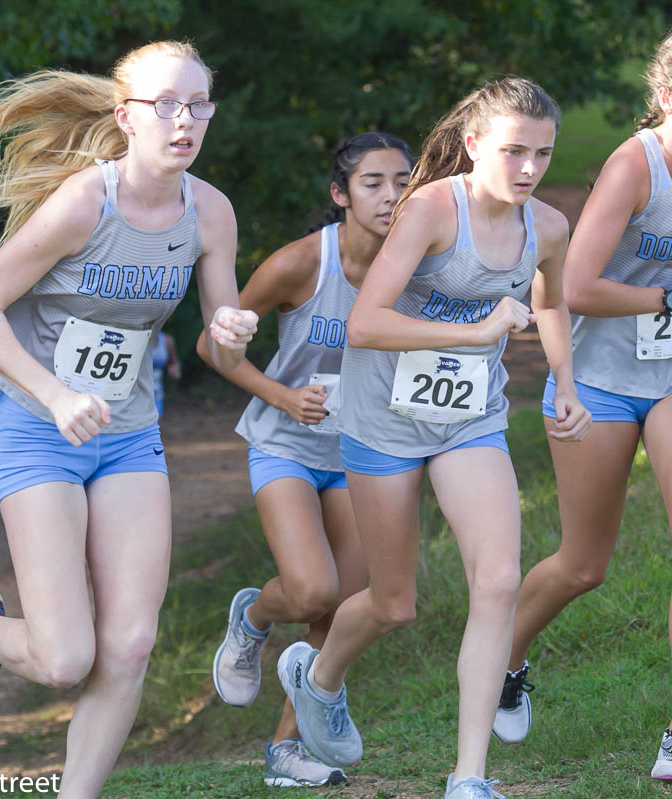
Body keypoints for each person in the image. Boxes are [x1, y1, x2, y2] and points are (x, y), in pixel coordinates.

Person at [0, 40, 258, 798]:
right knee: (64, 659)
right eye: (167, 105)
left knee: (132, 641)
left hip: (127, 436)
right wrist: (53, 394)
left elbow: (219, 328)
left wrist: (230, 329)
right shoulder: (86, 202)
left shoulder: (209, 210)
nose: (185, 121)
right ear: (127, 115)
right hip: (39, 430)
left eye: (199, 106)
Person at [275, 78, 592, 799]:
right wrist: (473, 331)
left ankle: (470, 777)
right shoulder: (429, 211)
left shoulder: (547, 225)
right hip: (382, 418)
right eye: (513, 150)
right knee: (392, 603)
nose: (529, 169)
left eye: (542, 153)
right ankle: (316, 675)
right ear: (475, 144)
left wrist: (562, 382)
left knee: (500, 579)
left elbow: (551, 296)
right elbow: (364, 324)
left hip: (468, 418)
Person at [490, 24, 672, 781]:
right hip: (599, 379)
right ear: (663, 97)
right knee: (584, 563)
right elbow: (573, 284)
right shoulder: (631, 167)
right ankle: (503, 659)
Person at [201, 132, 414, 788]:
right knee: (312, 588)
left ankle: (287, 750)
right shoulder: (299, 264)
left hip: (360, 453)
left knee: (339, 608)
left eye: (403, 181)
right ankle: (254, 616)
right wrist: (283, 396)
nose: (391, 195)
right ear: (339, 194)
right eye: (373, 182)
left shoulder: (418, 267)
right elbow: (216, 348)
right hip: (286, 443)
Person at [150, 330, 181, 416]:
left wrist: (174, 370)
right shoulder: (139, 339)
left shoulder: (167, 340)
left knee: (157, 419)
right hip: (139, 390)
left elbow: (173, 362)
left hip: (157, 389)